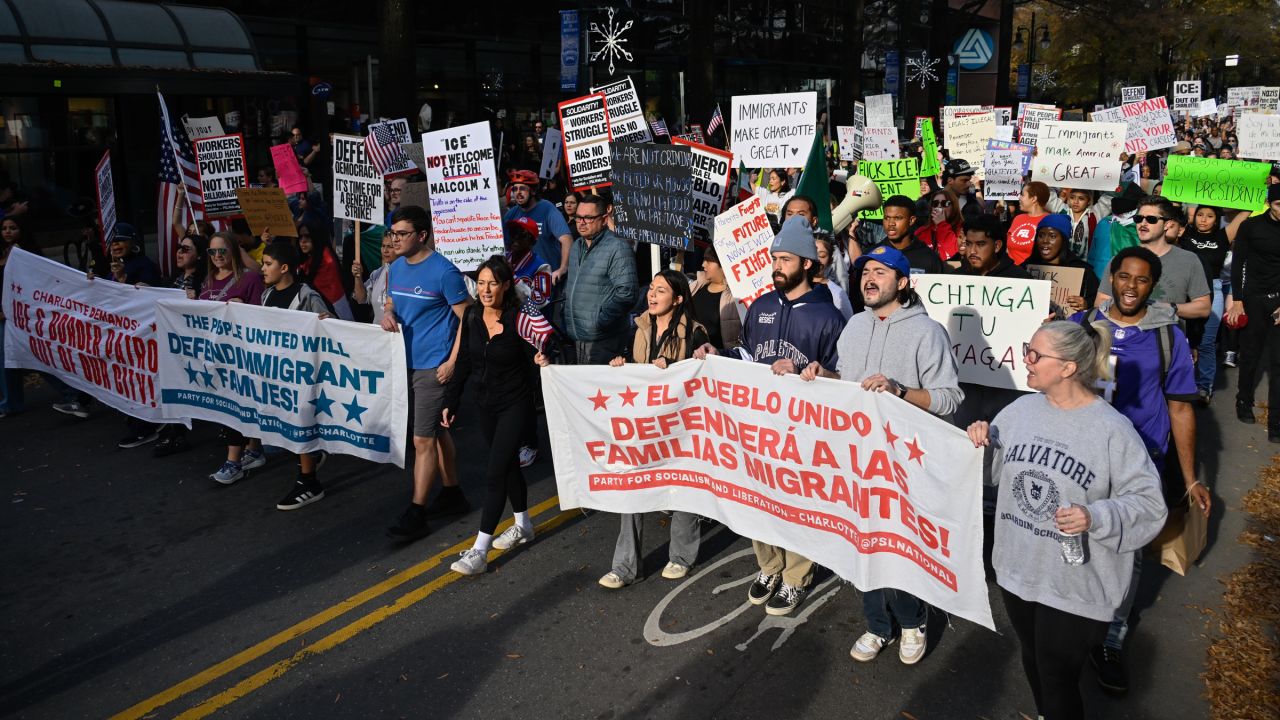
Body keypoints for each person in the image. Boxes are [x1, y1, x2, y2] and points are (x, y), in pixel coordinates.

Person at [966, 321, 1167, 720]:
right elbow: (993, 475)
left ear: (1068, 368)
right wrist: (980, 444)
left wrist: (1096, 516)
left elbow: (1150, 504)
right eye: (1028, 348)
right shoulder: (1018, 411)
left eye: (1035, 354)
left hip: (1076, 583)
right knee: (1034, 659)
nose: (1025, 359)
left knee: (1057, 674)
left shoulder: (1112, 430)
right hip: (1018, 570)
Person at [802, 244, 962, 665]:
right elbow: (848, 382)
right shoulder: (855, 324)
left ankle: (912, 620)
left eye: (881, 272)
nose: (870, 279)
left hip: (904, 462)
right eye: (866, 271)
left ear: (903, 283)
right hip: (858, 457)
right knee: (863, 544)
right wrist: (824, 374)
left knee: (896, 546)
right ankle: (877, 625)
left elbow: (950, 398)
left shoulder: (928, 332)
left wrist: (899, 390)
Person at [1067, 246, 1209, 694]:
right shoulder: (1082, 324)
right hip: (1082, 457)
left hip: (1140, 459)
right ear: (1111, 278)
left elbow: (1180, 407)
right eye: (1124, 277)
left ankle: (1111, 638)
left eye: (1142, 279)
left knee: (1126, 551)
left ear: (1154, 286)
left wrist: (1189, 477)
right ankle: (1072, 619)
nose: (1131, 286)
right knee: (1075, 535)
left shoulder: (1168, 336)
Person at [694, 215, 845, 616]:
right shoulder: (761, 305)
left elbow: (841, 378)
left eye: (785, 259)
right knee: (758, 499)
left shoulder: (829, 316)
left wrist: (806, 372)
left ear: (807, 263)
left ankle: (796, 576)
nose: (776, 266)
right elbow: (747, 354)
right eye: (774, 258)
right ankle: (770, 566)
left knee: (798, 504)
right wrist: (719, 354)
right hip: (758, 426)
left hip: (802, 431)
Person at [598, 270, 709, 588]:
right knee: (632, 487)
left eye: (661, 290)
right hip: (643, 424)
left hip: (680, 427)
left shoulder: (695, 333)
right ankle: (625, 566)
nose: (652, 294)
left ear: (677, 299)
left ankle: (681, 557)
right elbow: (625, 364)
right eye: (651, 288)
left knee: (683, 486)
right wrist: (619, 365)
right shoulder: (638, 326)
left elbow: (702, 375)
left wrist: (674, 368)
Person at [445, 256, 552, 575]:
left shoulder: (520, 319)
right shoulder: (472, 316)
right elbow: (464, 361)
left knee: (495, 472)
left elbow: (541, 350)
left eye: (493, 283)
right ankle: (523, 525)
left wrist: (542, 359)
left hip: (515, 404)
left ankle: (480, 551)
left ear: (506, 285)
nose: (486, 290)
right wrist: (451, 400)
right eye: (481, 283)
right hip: (484, 404)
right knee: (507, 467)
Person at [381, 206, 472, 541]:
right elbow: (392, 300)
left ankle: (416, 512)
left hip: (434, 365)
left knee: (422, 439)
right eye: (393, 233)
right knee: (435, 432)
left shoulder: (444, 272)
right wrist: (388, 313)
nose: (395, 240)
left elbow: (468, 319)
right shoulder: (396, 267)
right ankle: (452, 493)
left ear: (421, 235)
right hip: (404, 361)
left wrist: (453, 361)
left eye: (402, 234)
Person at [256, 241, 332, 509]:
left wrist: (325, 322)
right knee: (289, 427)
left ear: (284, 267)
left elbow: (329, 328)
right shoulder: (266, 295)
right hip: (277, 373)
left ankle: (309, 482)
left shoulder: (306, 296)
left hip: (302, 376)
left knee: (301, 423)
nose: (263, 269)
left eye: (268, 264)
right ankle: (311, 457)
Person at [1096, 197, 1210, 323]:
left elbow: (1204, 308)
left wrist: (1169, 308)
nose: (1143, 224)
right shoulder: (1122, 259)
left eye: (1151, 219)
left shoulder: (1189, 260)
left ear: (1167, 224)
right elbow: (1101, 301)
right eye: (1138, 219)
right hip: (1124, 332)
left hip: (1166, 333)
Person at [1227, 184, 1280, 437]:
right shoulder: (1251, 226)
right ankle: (1243, 400)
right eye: (1279, 204)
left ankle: (1276, 422)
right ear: (1269, 204)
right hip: (1254, 298)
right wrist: (1238, 300)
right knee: (1251, 354)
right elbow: (1238, 264)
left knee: (1278, 361)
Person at [562, 194, 638, 364]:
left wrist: (599, 321)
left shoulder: (618, 247)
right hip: (578, 337)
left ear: (604, 219)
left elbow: (627, 293)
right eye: (578, 217)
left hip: (604, 340)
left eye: (588, 218)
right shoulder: (576, 247)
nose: (581, 222)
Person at [152, 233, 209, 457]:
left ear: (199, 255)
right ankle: (175, 433)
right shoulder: (173, 280)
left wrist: (197, 301)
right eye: (179, 247)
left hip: (192, 344)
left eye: (186, 249)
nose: (179, 252)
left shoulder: (203, 281)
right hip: (173, 343)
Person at [1181, 206, 1244, 403]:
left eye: (1209, 216)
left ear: (1217, 220)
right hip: (1184, 290)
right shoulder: (1185, 233)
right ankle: (1180, 384)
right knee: (1181, 340)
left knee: (1206, 342)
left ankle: (1204, 387)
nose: (1203, 219)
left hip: (1213, 290)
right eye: (1200, 215)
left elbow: (1246, 212)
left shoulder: (1223, 236)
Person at [504, 170, 573, 281]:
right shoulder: (511, 214)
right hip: (522, 280)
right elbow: (505, 246)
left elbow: (567, 240)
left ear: (533, 190)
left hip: (549, 278)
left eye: (522, 188)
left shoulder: (547, 208)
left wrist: (563, 268)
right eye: (515, 189)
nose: (518, 192)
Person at [1033, 214, 1099, 317]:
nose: (1045, 241)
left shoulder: (1084, 272)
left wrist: (1087, 304)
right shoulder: (1025, 268)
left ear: (1064, 240)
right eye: (1041, 235)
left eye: (1052, 236)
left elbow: (1098, 302)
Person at [690, 244, 743, 351]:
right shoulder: (695, 286)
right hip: (689, 355)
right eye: (704, 260)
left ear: (723, 265)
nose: (703, 264)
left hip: (717, 357)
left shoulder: (736, 296)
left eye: (709, 261)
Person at [296, 220, 351, 320]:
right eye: (300, 237)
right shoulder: (305, 258)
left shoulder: (327, 260)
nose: (302, 241)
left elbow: (332, 293)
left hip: (332, 310)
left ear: (316, 236)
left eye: (307, 236)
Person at [879, 195, 944, 275]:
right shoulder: (872, 254)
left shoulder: (930, 258)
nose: (891, 223)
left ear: (911, 220)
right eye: (887, 218)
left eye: (897, 218)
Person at [198, 231, 265, 305]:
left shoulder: (251, 278)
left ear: (234, 251)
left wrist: (242, 307)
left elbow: (259, 310)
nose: (217, 255)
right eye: (212, 251)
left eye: (222, 250)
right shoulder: (208, 278)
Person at [1047, 188, 1111, 260]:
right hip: (1061, 261)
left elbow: (1108, 199)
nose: (1076, 202)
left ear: (1089, 201)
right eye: (1072, 197)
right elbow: (1047, 196)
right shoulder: (1062, 210)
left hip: (1084, 263)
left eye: (1081, 199)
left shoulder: (1094, 215)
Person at [505, 217, 554, 309]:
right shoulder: (502, 258)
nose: (516, 237)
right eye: (513, 232)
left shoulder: (541, 266)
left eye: (522, 234)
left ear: (533, 241)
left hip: (524, 316)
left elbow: (541, 302)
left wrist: (513, 278)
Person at [958, 215, 1028, 279]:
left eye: (980, 245)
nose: (972, 251)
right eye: (968, 244)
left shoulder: (1020, 279)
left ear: (997, 246)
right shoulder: (956, 277)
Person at [352, 235, 397, 325]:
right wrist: (358, 277)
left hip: (398, 331)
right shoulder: (376, 274)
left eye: (390, 246)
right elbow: (360, 299)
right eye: (383, 246)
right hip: (377, 331)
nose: (385, 251)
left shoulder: (407, 274)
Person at [1007, 182, 1051, 265]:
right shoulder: (1018, 218)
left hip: (1032, 270)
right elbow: (1008, 248)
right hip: (1010, 270)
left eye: (1023, 195)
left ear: (1033, 199)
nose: (1019, 197)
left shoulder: (1049, 221)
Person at [916, 187, 963, 262]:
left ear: (954, 206)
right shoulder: (921, 232)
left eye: (945, 203)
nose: (939, 206)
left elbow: (952, 252)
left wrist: (941, 224)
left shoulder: (963, 230)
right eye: (935, 204)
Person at [814, 234, 854, 319]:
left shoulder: (837, 294)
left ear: (830, 260)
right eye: (811, 254)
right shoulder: (794, 287)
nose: (816, 259)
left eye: (822, 256)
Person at [941, 159, 982, 224]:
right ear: (950, 180)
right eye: (964, 181)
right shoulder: (936, 202)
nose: (969, 184)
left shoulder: (969, 197)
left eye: (969, 180)